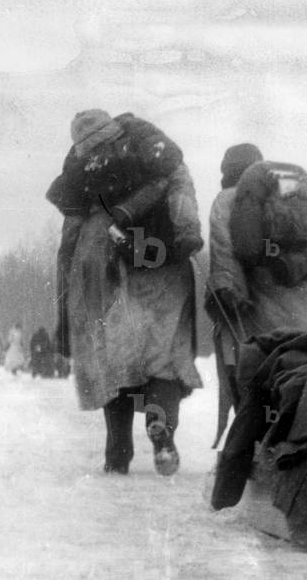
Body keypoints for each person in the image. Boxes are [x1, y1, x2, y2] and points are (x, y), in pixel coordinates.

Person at [47, 109, 204, 476]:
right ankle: (161, 429)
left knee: (113, 361)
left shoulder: (82, 177)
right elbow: (182, 192)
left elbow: (68, 249)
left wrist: (64, 318)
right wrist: (187, 234)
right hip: (165, 266)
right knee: (162, 358)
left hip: (109, 269)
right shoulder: (152, 151)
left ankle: (117, 450)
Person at [204, 144, 307, 445]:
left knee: (251, 381)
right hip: (303, 305)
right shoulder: (294, 199)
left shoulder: (228, 201)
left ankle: (257, 451)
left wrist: (229, 292)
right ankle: (296, 444)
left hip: (255, 306)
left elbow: (224, 249)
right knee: (298, 376)